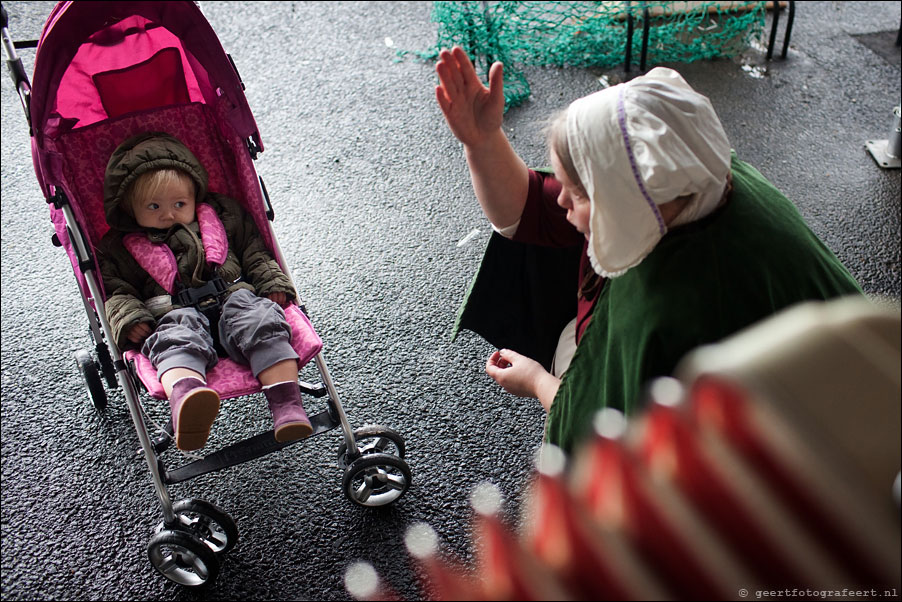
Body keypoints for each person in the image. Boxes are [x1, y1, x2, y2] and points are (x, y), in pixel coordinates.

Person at [436, 47, 863, 453]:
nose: (562, 201)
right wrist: (483, 141)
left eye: (577, 193)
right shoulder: (695, 179)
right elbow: (529, 206)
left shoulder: (673, 306)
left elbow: (601, 433)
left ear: (624, 199)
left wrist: (538, 382)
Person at [99, 132, 313, 451]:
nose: (168, 213)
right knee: (173, 340)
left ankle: (287, 406)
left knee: (264, 322)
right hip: (173, 314)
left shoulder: (223, 215)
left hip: (235, 297)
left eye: (179, 204)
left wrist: (272, 283)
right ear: (130, 208)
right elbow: (117, 291)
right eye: (153, 206)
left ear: (195, 196)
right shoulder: (119, 248)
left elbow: (253, 250)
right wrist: (130, 319)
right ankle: (187, 399)